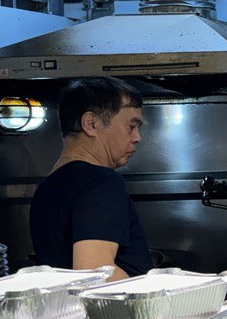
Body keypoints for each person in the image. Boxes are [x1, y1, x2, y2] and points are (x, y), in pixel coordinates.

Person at [29, 77, 152, 281]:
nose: (137, 137)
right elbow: (95, 272)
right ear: (91, 123)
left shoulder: (47, 187)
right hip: (114, 313)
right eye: (131, 126)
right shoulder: (101, 181)